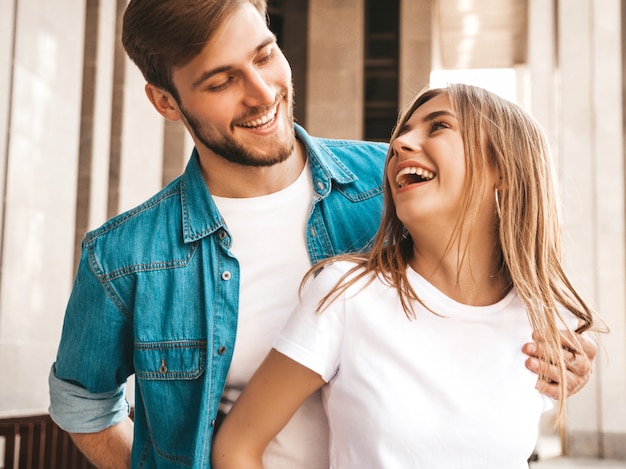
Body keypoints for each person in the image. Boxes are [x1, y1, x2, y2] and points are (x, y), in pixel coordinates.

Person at [47, 0, 596, 467]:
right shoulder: (124, 257)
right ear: (167, 102)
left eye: (264, 55)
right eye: (222, 81)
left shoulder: (390, 186)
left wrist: (565, 357)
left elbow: (494, 277)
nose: (262, 93)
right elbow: (81, 403)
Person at [211, 84, 607, 468]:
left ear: (502, 168)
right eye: (403, 131)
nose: (398, 145)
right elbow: (237, 447)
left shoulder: (546, 321)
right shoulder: (347, 295)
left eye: (439, 126)